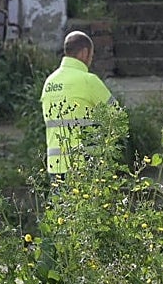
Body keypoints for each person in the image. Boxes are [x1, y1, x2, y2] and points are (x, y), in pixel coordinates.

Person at [40, 30, 116, 177]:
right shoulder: (88, 81)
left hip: (55, 166)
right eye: (91, 56)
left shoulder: (49, 82)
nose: (91, 60)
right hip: (84, 164)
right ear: (84, 53)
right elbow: (118, 117)